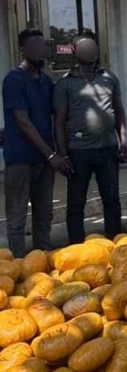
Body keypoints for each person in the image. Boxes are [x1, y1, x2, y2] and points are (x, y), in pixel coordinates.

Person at [54, 36, 127, 244]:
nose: (90, 52)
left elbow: (119, 112)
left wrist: (123, 141)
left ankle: (115, 242)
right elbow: (59, 122)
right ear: (75, 52)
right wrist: (62, 154)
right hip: (78, 152)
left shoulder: (109, 78)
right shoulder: (65, 83)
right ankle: (77, 246)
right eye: (85, 48)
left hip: (108, 149)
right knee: (76, 202)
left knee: (112, 199)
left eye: (93, 48)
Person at [2, 30, 69, 258]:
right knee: (17, 214)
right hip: (20, 158)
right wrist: (51, 155)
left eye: (43, 47)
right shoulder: (13, 80)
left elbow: (56, 117)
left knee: (44, 212)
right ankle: (18, 262)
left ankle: (43, 256)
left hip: (45, 159)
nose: (41, 51)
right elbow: (23, 122)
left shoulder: (45, 81)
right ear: (23, 50)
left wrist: (59, 152)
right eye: (35, 46)